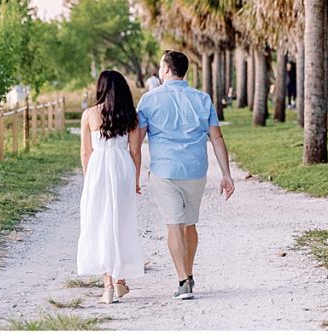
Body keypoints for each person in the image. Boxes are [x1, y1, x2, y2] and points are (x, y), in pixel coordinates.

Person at [137, 49, 235, 301]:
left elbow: (136, 142)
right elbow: (217, 137)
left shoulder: (149, 100)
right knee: (189, 224)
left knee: (174, 225)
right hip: (195, 170)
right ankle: (188, 274)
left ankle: (183, 280)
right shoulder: (203, 99)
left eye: (161, 67)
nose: (160, 71)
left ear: (167, 69)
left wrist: (133, 174)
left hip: (164, 171)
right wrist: (226, 174)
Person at [76, 70, 145, 304]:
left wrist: (89, 180)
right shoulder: (130, 115)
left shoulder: (89, 114)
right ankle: (119, 279)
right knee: (120, 221)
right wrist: (135, 179)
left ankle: (108, 284)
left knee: (100, 223)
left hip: (98, 169)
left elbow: (86, 152)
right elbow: (135, 151)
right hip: (121, 167)